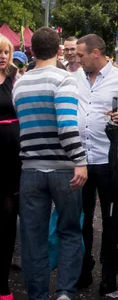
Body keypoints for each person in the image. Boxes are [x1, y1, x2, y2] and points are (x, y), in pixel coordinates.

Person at [12, 27, 87, 300]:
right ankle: (66, 292)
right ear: (58, 50)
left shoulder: (20, 83)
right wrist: (80, 161)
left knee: (33, 239)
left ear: (32, 51)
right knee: (68, 231)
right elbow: (67, 128)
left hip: (30, 169)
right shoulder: (64, 80)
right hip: (63, 169)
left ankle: (38, 295)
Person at [73, 34, 118, 295]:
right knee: (82, 217)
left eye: (81, 55)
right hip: (79, 158)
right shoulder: (75, 77)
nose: (77, 59)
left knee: (111, 218)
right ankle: (83, 268)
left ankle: (109, 271)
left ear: (96, 53)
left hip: (107, 158)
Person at [0, 36, 20, 300]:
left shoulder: (16, 79)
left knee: (7, 218)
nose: (2, 56)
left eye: (6, 51)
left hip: (12, 157)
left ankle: (2, 282)